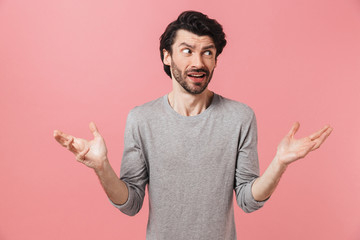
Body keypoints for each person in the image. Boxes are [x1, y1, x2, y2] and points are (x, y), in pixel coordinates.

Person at [54, 11, 333, 240]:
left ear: (215, 59)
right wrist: (102, 167)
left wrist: (280, 163)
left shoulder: (240, 117)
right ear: (167, 56)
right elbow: (131, 203)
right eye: (187, 51)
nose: (198, 62)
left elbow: (248, 200)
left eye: (207, 53)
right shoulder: (141, 119)